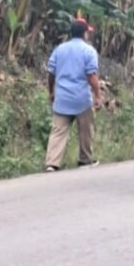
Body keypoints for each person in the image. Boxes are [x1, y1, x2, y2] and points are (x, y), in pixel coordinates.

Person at [45, 18, 102, 171]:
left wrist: (51, 91)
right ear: (84, 34)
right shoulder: (89, 51)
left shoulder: (59, 49)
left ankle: (52, 163)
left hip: (62, 98)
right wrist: (98, 95)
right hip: (81, 98)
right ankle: (85, 160)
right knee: (86, 130)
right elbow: (91, 75)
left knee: (58, 131)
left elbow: (51, 74)